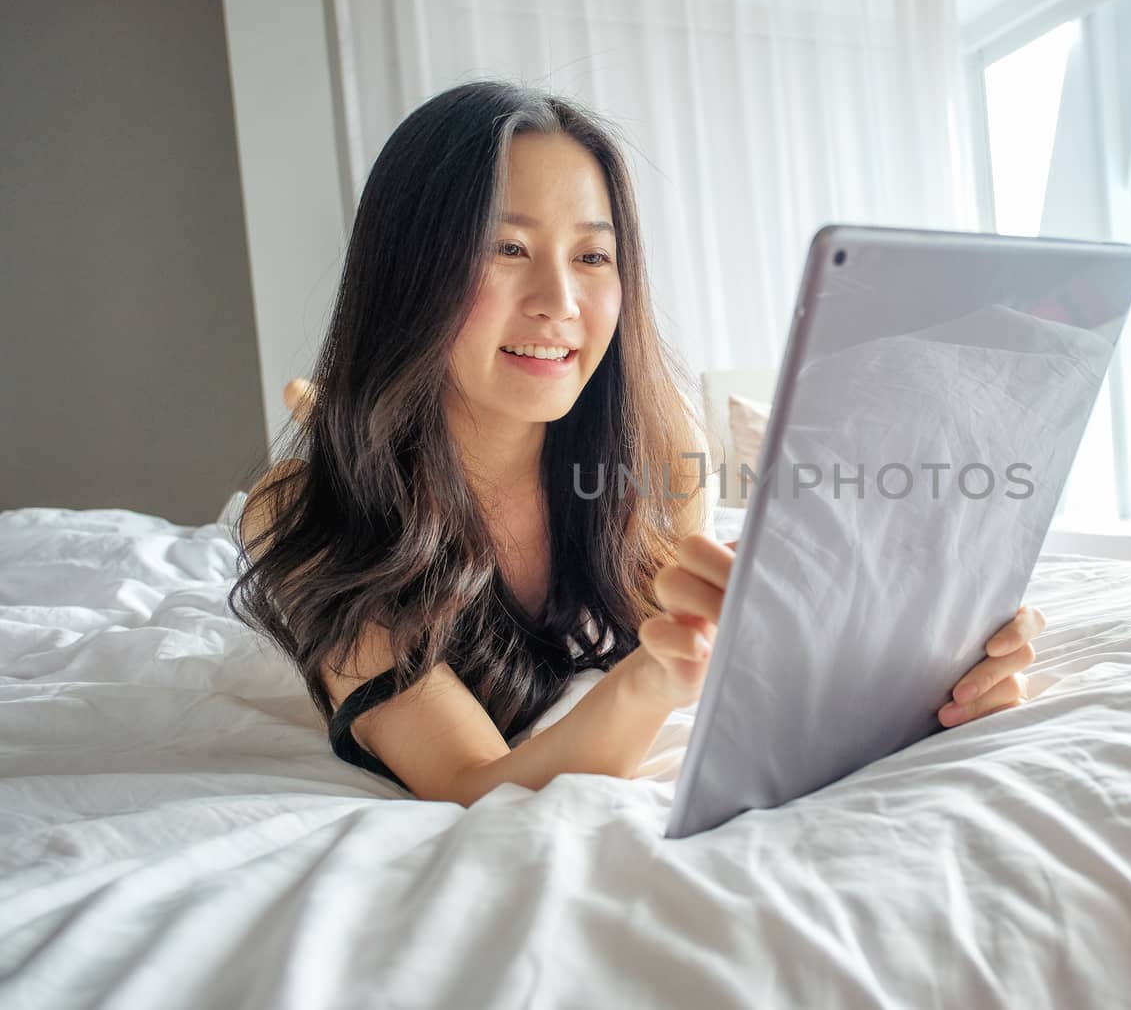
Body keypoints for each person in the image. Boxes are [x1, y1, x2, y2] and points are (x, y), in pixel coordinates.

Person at [228, 80, 1042, 807]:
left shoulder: (653, 456)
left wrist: (939, 668)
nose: (560, 300)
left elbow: (754, 645)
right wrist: (651, 680)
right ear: (412, 270)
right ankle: (325, 405)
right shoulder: (306, 507)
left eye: (592, 255)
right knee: (338, 422)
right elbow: (471, 783)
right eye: (506, 247)